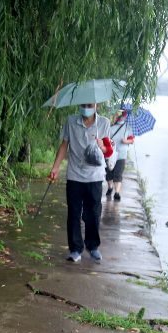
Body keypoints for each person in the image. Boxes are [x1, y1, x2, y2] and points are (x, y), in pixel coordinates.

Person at [49, 102, 110, 262]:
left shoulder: (104, 123)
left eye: (89, 105)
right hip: (74, 175)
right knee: (74, 213)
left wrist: (102, 147)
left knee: (93, 213)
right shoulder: (71, 121)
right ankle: (75, 249)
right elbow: (64, 145)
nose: (86, 108)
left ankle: (93, 246)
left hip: (95, 176)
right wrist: (55, 167)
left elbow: (108, 150)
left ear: (96, 106)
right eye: (83, 105)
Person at [105, 109, 135, 201]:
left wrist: (126, 141)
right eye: (120, 115)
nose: (121, 117)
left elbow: (132, 140)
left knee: (118, 173)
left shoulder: (127, 127)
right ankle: (110, 187)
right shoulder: (109, 126)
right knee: (109, 173)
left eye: (123, 115)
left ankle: (117, 193)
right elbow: (104, 139)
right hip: (110, 153)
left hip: (121, 154)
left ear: (125, 116)